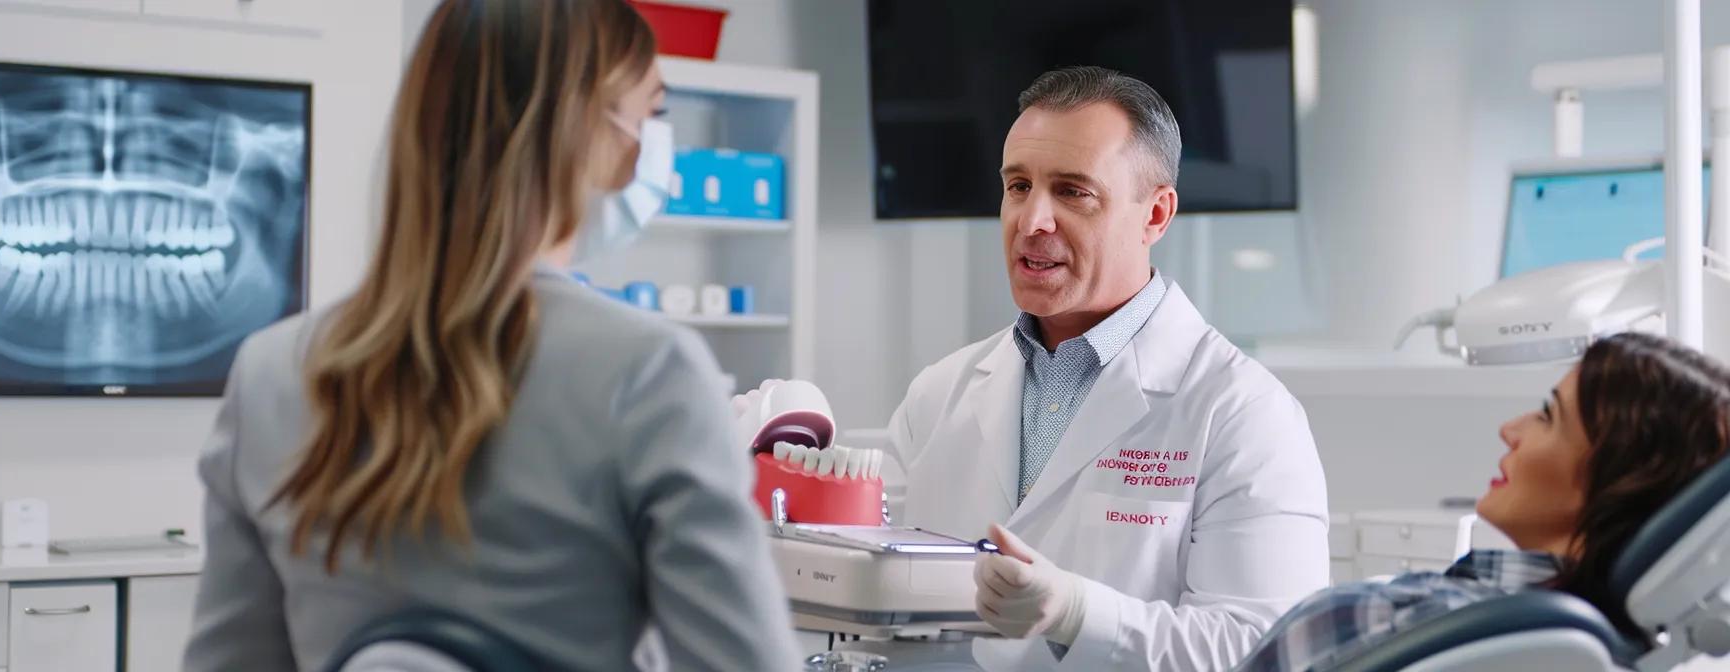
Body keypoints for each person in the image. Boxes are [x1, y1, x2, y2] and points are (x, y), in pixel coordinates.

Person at [182, 1, 799, 670]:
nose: (648, 150)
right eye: (650, 116)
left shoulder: (273, 373)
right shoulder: (649, 374)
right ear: (585, 130)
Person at [884, 66, 1330, 670]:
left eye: (1072, 192)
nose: (1032, 220)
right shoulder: (940, 393)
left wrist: (1077, 614)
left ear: (1156, 215)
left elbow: (1271, 649)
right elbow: (875, 585)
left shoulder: (1244, 413)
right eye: (1018, 187)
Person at [1235, 332, 1730, 671]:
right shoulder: (1582, 644)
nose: (1510, 430)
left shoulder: (1407, 618)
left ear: (1617, 479)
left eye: (1547, 416)